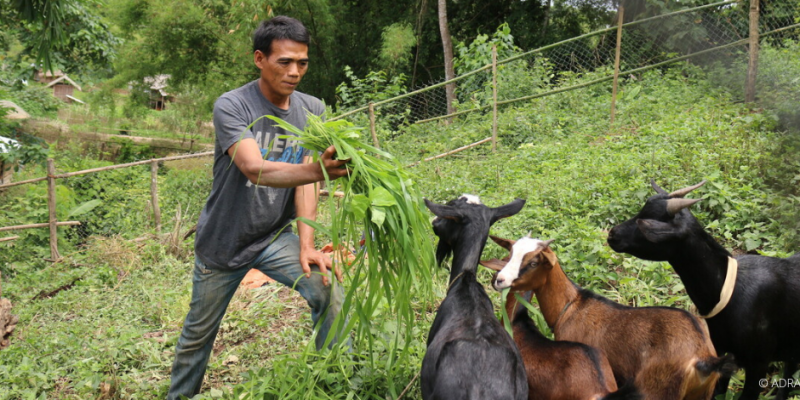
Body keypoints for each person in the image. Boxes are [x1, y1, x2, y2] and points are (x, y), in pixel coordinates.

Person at [167, 16, 349, 399]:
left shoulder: (313, 109)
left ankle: (334, 383)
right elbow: (254, 168)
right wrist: (317, 169)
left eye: (302, 63)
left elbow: (306, 183)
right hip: (224, 242)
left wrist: (306, 244)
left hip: (274, 236)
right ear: (259, 59)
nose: (295, 71)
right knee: (198, 336)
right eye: (285, 62)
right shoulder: (233, 105)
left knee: (328, 290)